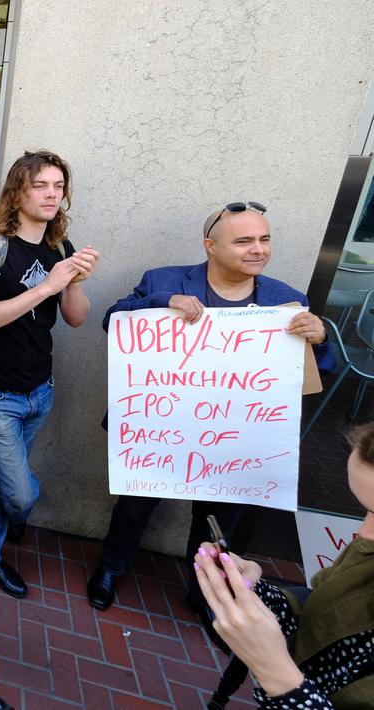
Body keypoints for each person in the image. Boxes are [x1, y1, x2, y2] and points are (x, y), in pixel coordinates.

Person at [87, 202, 333, 613]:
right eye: (244, 240)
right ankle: (109, 569)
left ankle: (203, 592)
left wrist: (321, 337)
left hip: (237, 442)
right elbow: (113, 322)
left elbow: (315, 373)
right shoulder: (163, 280)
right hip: (160, 431)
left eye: (264, 239)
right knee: (134, 507)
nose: (258, 249)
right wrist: (165, 302)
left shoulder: (287, 300)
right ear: (211, 246)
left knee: (216, 526)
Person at [0, 150, 100, 598]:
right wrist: (47, 286)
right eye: (41, 185)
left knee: (2, 479)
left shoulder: (60, 248)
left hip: (40, 388)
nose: (51, 195)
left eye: (58, 187)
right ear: (18, 190)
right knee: (19, 494)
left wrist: (74, 280)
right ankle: (6, 521)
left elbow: (75, 318)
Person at [194, 421, 374, 708]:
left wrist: (277, 674)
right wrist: (254, 593)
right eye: (363, 510)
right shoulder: (367, 552)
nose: (362, 533)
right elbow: (316, 612)